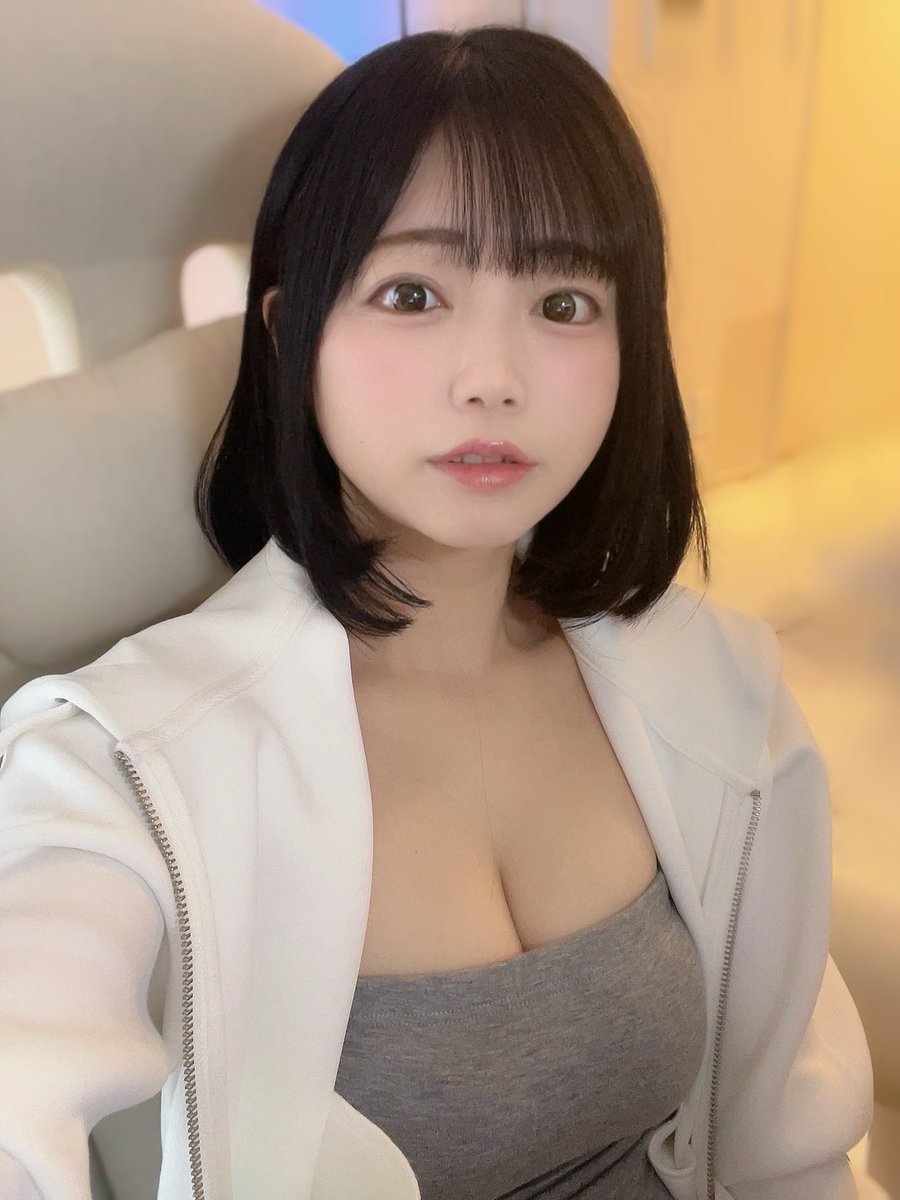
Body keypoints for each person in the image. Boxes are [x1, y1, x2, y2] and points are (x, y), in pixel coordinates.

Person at [0, 23, 874, 1200]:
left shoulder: (721, 689)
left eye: (564, 302)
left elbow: (791, 1149)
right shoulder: (121, 765)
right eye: (412, 293)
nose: (493, 378)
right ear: (290, 336)